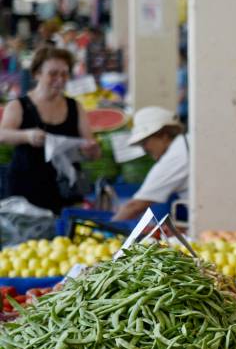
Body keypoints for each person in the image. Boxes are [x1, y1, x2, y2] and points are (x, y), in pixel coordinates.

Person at [0, 46, 99, 213]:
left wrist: (92, 150)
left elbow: (91, 150)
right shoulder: (19, 106)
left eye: (64, 74)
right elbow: (2, 135)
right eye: (53, 74)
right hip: (27, 190)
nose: (60, 79)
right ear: (37, 74)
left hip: (66, 190)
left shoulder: (75, 107)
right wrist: (27, 136)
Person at [113, 107, 188, 221]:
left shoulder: (174, 156)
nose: (145, 149)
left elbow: (134, 206)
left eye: (145, 142)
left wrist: (110, 226)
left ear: (163, 135)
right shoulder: (184, 143)